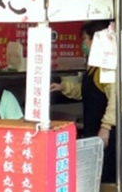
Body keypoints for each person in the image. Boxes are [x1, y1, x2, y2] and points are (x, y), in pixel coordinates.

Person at [50, 20, 118, 183]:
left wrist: (106, 128)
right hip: (93, 129)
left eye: (85, 39)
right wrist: (63, 87)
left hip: (104, 133)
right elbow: (86, 92)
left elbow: (116, 100)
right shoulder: (94, 68)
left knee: (104, 177)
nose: (83, 43)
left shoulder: (106, 68)